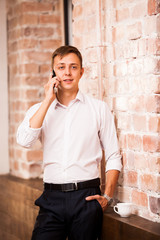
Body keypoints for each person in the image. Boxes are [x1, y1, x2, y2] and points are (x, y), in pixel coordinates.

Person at [17, 45, 122, 240]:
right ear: (53, 72)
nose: (67, 72)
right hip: (51, 198)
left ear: (81, 72)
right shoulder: (38, 110)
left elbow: (114, 155)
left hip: (87, 198)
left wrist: (107, 197)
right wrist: (47, 101)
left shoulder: (99, 109)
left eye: (73, 67)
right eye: (61, 67)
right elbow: (24, 141)